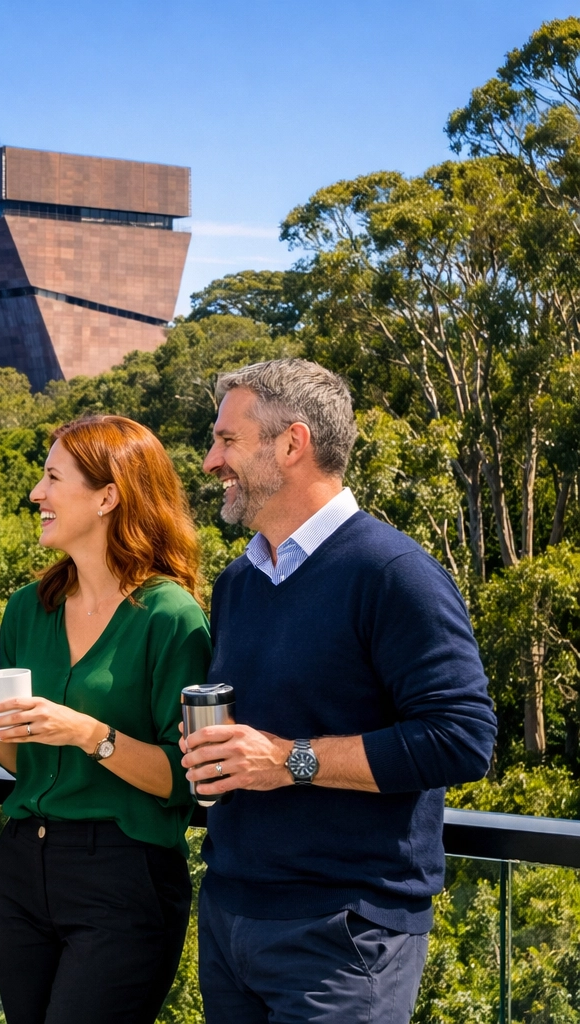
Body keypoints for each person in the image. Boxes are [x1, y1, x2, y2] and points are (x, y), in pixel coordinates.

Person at [182, 359, 497, 1024]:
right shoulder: (239, 581)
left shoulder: (395, 573)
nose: (212, 461)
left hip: (344, 935)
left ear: (292, 444)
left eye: (227, 441)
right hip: (231, 919)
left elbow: (462, 739)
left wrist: (290, 760)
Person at [0, 415, 210, 1024]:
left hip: (124, 874)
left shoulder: (171, 618)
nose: (35, 494)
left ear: (108, 495)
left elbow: (185, 779)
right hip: (22, 865)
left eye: (51, 477)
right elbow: (19, 764)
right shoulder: (27, 609)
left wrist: (86, 733)